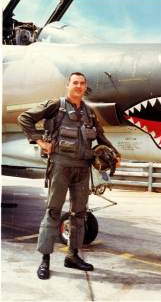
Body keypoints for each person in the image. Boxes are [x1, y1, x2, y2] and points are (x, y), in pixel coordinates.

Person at [18, 72, 121, 280]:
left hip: (83, 169)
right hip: (60, 166)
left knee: (79, 214)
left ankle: (72, 257)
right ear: (68, 85)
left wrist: (115, 154)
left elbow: (101, 136)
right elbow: (25, 118)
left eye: (82, 83)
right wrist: (40, 141)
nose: (79, 86)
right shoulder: (56, 105)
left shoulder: (89, 112)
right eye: (75, 83)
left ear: (85, 87)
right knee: (53, 212)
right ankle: (45, 260)